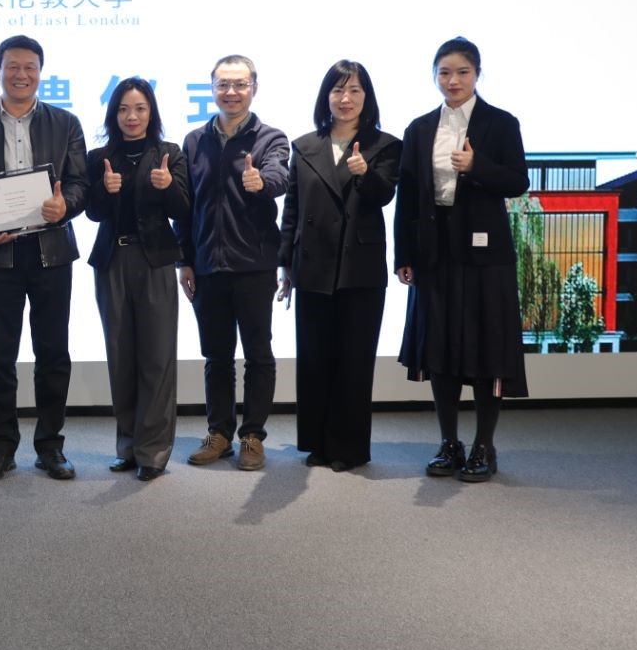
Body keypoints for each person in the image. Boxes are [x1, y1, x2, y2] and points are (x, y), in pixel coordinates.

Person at [0, 35, 88, 481]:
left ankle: (50, 446)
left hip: (51, 254)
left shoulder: (66, 123)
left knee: (53, 353)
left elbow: (80, 184)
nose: (21, 74)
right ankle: (2, 446)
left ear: (40, 72)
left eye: (29, 67)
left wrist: (66, 205)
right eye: (12, 66)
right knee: (0, 355)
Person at [395, 37, 529, 482]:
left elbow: (518, 181)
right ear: (434, 76)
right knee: (439, 350)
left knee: (487, 349)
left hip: (487, 256)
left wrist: (477, 167)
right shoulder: (419, 129)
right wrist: (404, 255)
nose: (453, 81)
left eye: (462, 72)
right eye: (444, 72)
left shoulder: (501, 123)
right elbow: (408, 197)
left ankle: (483, 446)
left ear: (477, 74)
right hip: (435, 252)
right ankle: (448, 443)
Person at [276, 60, 401, 472]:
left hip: (358, 266)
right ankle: (318, 442)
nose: (345, 99)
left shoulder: (385, 145)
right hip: (312, 264)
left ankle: (349, 447)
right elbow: (292, 209)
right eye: (337, 90)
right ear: (326, 96)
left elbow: (384, 196)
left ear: (367, 98)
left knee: (354, 360)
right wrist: (285, 263)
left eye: (355, 91)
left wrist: (365, 174)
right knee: (315, 358)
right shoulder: (304, 146)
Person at [176, 54, 289, 472]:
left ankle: (252, 436)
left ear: (253, 88)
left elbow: (280, 176)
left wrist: (262, 182)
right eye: (223, 84)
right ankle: (219, 434)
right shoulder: (194, 141)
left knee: (258, 354)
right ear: (212, 89)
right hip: (207, 266)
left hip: (254, 264)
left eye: (240, 84)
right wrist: (184, 260)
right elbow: (185, 208)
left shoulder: (271, 138)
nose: (231, 92)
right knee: (216, 357)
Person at [84, 77, 191, 482]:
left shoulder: (169, 154)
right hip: (112, 261)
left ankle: (154, 452)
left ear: (151, 112)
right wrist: (104, 189)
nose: (132, 116)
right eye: (124, 109)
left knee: (157, 358)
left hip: (155, 262)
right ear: (114, 114)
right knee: (121, 357)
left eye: (140, 108)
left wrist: (167, 187)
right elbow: (92, 212)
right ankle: (127, 446)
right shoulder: (99, 157)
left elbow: (184, 209)